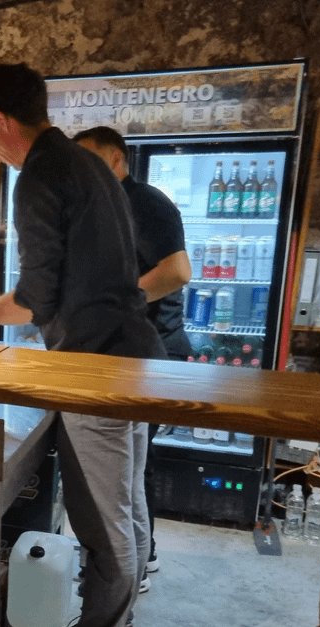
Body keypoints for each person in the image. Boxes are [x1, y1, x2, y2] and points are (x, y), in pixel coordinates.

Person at [0, 63, 166, 627]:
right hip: (133, 352)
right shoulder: (88, 163)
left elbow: (35, 301)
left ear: (2, 120)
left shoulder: (40, 175)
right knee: (128, 508)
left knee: (104, 527)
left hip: (96, 368)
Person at [73, 126, 193, 592]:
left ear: (116, 160)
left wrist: (108, 305)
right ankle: (141, 562)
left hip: (150, 353)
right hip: (131, 354)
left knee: (121, 483)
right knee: (131, 476)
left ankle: (123, 582)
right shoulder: (105, 206)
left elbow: (177, 271)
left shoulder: (142, 202)